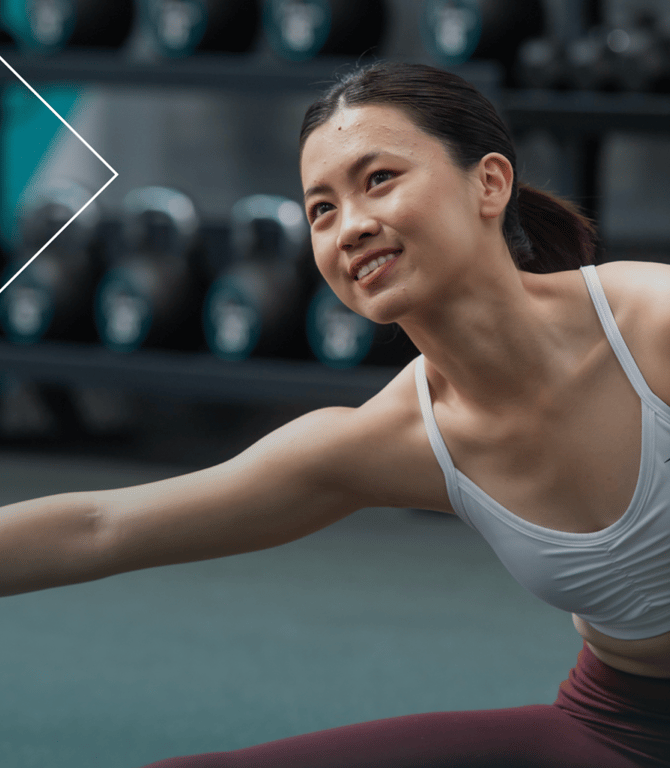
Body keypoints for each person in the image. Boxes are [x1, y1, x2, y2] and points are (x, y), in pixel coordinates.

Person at [3, 62, 670, 767]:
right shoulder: (394, 439)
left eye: (378, 179)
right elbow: (101, 528)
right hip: (619, 731)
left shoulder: (652, 325)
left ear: (490, 183)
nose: (350, 226)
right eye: (321, 209)